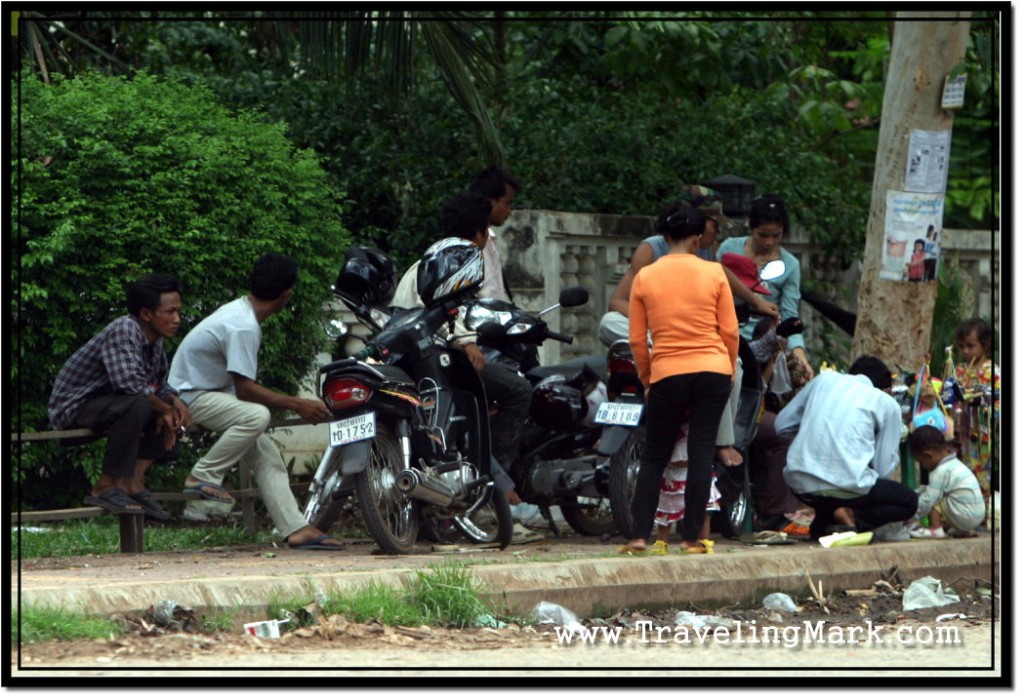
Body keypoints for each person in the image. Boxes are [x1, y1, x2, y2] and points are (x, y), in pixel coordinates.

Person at [168, 254, 343, 550]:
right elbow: (246, 391)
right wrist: (297, 404)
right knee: (256, 416)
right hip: (187, 399)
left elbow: (240, 388)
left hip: (206, 394)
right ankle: (203, 475)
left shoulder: (241, 313)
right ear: (286, 295)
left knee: (267, 455)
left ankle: (295, 528)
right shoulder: (243, 326)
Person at [600, 186, 777, 469]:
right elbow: (617, 303)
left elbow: (723, 273)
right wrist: (658, 325)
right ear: (696, 223)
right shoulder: (652, 249)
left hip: (679, 343)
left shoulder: (705, 254)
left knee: (737, 367)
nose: (716, 233)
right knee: (608, 324)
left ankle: (724, 440)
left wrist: (756, 301)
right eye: (714, 225)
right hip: (658, 335)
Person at [391, 191, 531, 507]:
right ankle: (497, 487)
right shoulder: (459, 262)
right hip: (437, 361)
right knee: (518, 390)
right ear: (481, 233)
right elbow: (442, 313)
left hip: (416, 357)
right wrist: (466, 343)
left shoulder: (427, 259)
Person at [619, 201, 738, 555]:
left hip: (667, 372)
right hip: (713, 369)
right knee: (702, 452)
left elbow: (638, 339)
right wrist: (728, 369)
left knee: (654, 456)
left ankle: (640, 536)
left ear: (663, 235)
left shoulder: (645, 276)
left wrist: (647, 378)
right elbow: (729, 331)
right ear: (699, 238)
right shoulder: (714, 272)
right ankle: (691, 539)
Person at [48, 273, 191, 520]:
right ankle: (104, 486)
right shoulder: (124, 329)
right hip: (75, 408)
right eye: (170, 312)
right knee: (142, 405)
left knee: (168, 411)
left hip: (114, 403)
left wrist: (174, 403)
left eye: (178, 312)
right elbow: (131, 385)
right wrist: (163, 408)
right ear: (147, 314)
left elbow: (158, 385)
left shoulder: (155, 340)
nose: (177, 319)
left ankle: (132, 484)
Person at [776, 356, 918, 538]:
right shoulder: (885, 402)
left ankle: (824, 523)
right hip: (847, 489)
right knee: (909, 501)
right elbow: (883, 470)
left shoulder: (824, 379)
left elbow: (781, 425)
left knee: (837, 488)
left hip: (799, 484)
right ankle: (853, 516)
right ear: (887, 389)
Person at [716, 193, 815, 382]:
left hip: (763, 343)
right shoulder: (729, 249)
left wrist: (800, 355)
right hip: (724, 337)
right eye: (763, 235)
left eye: (776, 236)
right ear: (751, 227)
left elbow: (789, 314)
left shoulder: (790, 265)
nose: (769, 242)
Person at [649, 419, 720, 556]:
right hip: (671, 469)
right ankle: (662, 542)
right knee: (665, 508)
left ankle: (704, 541)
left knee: (703, 508)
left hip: (696, 469)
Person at [952, 317, 999, 515]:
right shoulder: (959, 371)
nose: (965, 352)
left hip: (982, 435)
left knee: (981, 473)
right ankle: (961, 514)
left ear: (985, 345)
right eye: (962, 347)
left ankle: (981, 515)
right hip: (959, 432)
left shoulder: (993, 372)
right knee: (960, 473)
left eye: (971, 346)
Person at [907, 425, 985, 539]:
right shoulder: (955, 463)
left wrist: (911, 515)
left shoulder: (939, 471)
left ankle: (936, 529)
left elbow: (929, 500)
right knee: (936, 491)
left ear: (928, 456)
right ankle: (962, 530)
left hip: (965, 516)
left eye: (921, 462)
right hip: (976, 516)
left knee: (933, 496)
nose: (922, 466)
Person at [469, 166, 520, 303]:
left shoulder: (489, 240)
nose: (510, 210)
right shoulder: (473, 243)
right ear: (492, 202)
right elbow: (489, 298)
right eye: (508, 203)